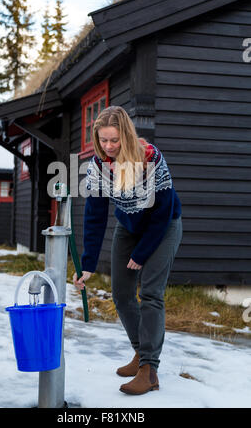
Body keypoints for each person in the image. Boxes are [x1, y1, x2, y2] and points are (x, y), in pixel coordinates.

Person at [73, 105, 182, 395]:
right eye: (103, 140)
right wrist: (88, 264)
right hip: (129, 226)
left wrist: (141, 253)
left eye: (114, 140)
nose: (108, 146)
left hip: (164, 225)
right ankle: (140, 353)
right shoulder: (98, 166)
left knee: (150, 293)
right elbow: (95, 215)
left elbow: (163, 211)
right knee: (121, 293)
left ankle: (149, 370)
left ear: (127, 136)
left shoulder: (151, 159)